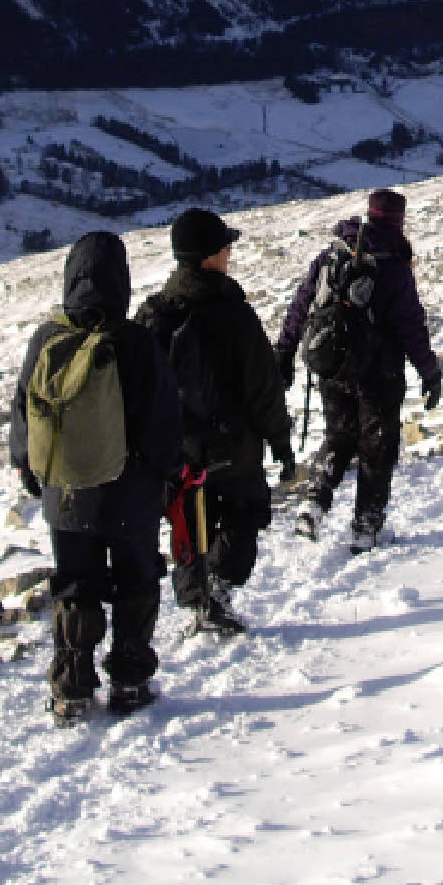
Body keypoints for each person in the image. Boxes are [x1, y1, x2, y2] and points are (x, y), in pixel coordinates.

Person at [9, 232, 183, 721]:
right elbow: (162, 421)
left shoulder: (47, 339)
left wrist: (31, 470)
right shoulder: (136, 342)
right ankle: (129, 680)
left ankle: (72, 687)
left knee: (74, 584)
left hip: (65, 494)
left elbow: (24, 410)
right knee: (136, 579)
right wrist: (166, 475)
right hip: (130, 495)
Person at [135, 208, 293, 635]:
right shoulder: (234, 315)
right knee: (246, 512)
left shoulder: (154, 315)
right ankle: (219, 591)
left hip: (176, 451)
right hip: (233, 447)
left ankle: (195, 601)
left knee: (188, 522)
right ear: (209, 256)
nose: (229, 253)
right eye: (225, 246)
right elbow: (263, 386)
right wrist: (280, 440)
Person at [273, 188, 443, 552]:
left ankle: (314, 503)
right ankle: (366, 529)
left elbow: (301, 305)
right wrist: (429, 371)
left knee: (339, 435)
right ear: (398, 220)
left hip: (333, 365)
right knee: (377, 448)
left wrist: (285, 351)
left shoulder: (332, 255)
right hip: (378, 374)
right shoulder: (394, 265)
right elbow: (411, 326)